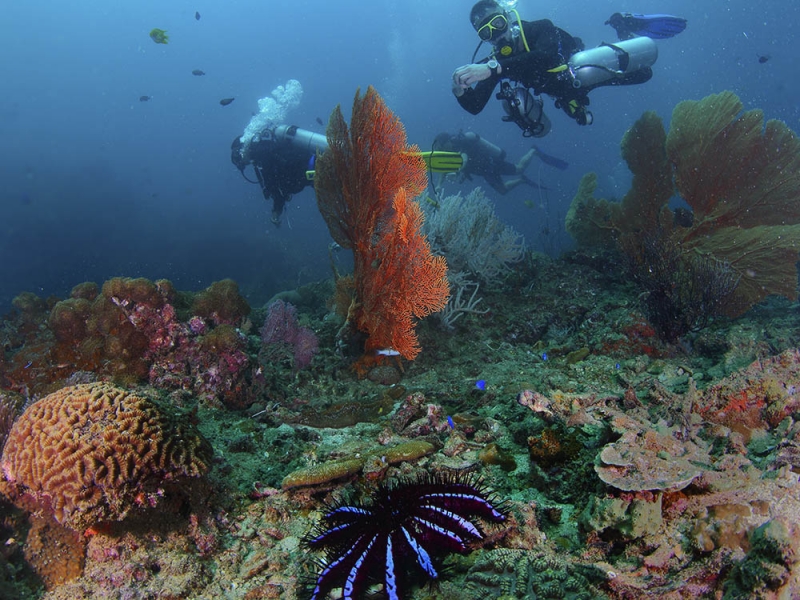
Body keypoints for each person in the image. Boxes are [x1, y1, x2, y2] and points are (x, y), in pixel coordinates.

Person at [452, 1, 684, 132]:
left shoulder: (539, 28)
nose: (496, 35)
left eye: (498, 24)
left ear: (508, 17)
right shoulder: (494, 63)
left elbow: (547, 57)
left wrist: (494, 69)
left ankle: (624, 26)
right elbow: (475, 106)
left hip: (581, 70)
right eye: (486, 32)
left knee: (644, 73)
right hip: (565, 92)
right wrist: (459, 90)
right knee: (642, 76)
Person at [231, 125, 327, 226]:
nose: (242, 162)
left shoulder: (261, 154)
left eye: (238, 158)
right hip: (316, 164)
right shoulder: (265, 149)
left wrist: (276, 211)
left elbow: (274, 188)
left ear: (242, 150)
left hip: (317, 169)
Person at [433, 131, 559, 195]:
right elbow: (444, 169)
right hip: (484, 172)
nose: (441, 150)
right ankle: (522, 180)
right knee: (503, 191)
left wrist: (459, 170)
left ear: (448, 141)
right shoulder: (449, 152)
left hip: (491, 163)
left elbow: (464, 158)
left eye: (442, 146)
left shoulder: (461, 143)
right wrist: (439, 185)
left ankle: (532, 151)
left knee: (519, 168)